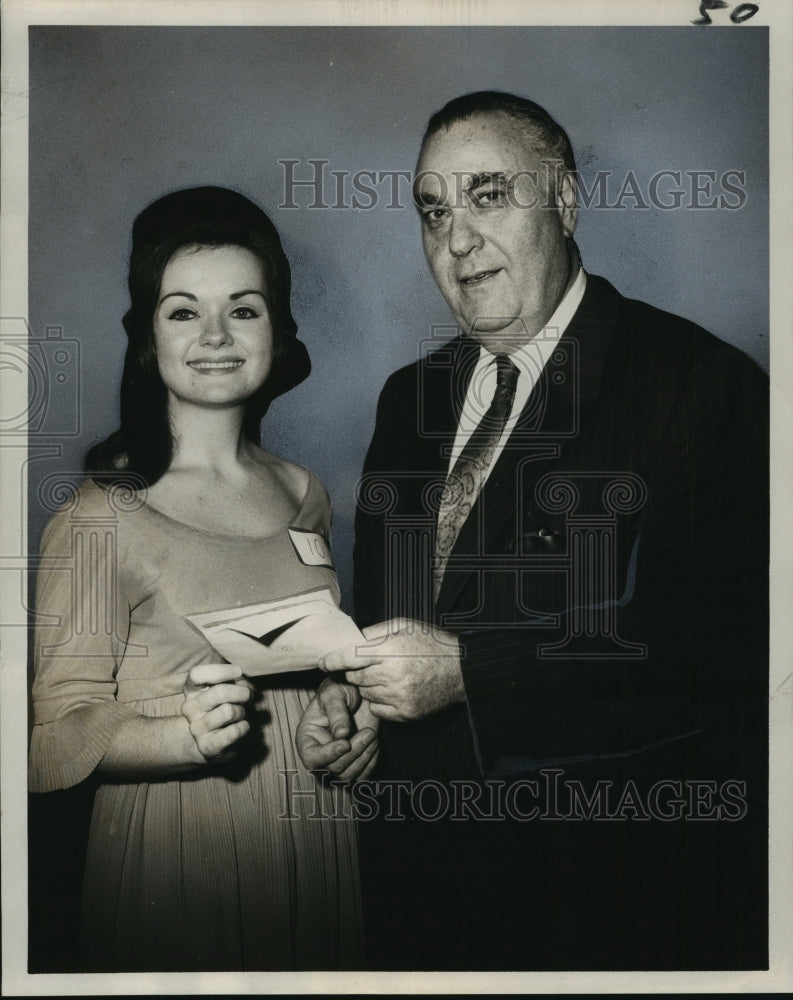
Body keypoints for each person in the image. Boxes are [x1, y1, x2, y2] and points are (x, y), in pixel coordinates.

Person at [297, 92, 769, 970]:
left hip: (600, 902)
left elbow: (715, 650)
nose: (456, 239)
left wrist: (471, 671)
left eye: (487, 196)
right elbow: (390, 615)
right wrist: (353, 697)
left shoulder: (699, 383)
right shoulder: (411, 397)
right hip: (413, 886)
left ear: (566, 202)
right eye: (432, 210)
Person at [28, 186, 377, 972]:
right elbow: (46, 743)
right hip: (179, 851)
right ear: (148, 336)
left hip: (318, 836)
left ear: (276, 331)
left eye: (243, 309)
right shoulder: (99, 516)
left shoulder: (305, 493)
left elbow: (318, 660)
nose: (216, 335)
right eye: (184, 311)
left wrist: (344, 711)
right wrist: (178, 738)